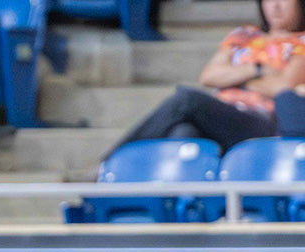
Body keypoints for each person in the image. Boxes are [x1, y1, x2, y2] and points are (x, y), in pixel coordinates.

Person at [106, 0, 305, 156]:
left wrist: (233, 76)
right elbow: (208, 76)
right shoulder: (244, 35)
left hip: (261, 121)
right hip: (221, 112)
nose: (275, 6)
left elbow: (283, 87)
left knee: (186, 100)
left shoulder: (301, 42)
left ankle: (110, 161)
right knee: (183, 132)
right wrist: (257, 69)